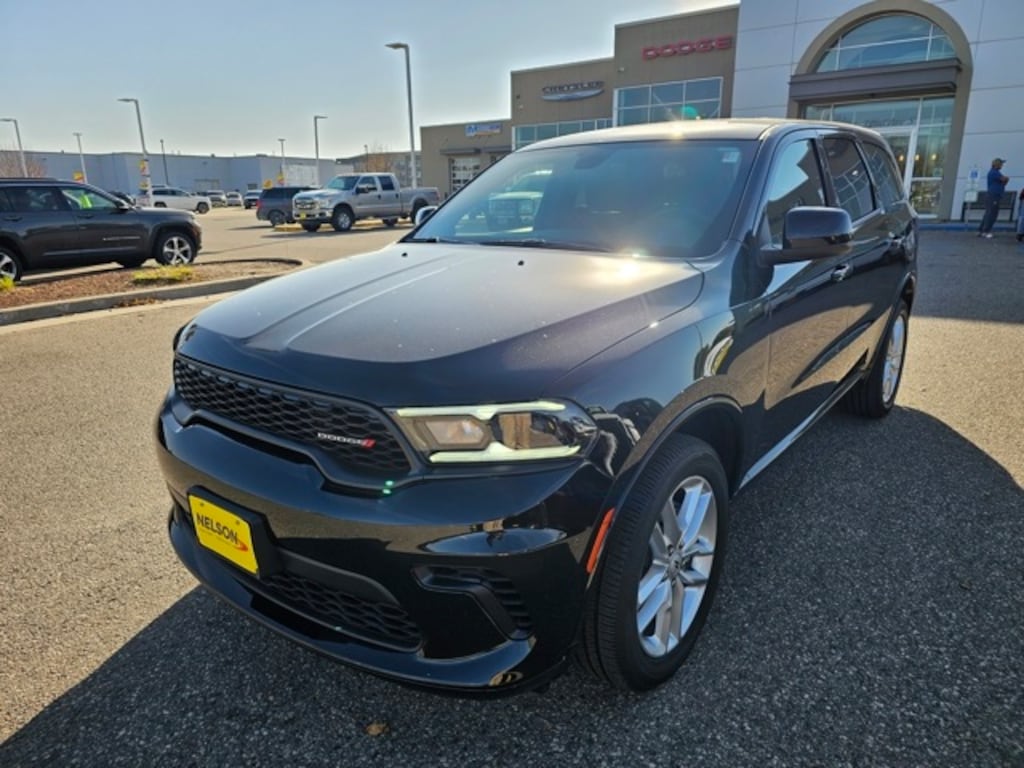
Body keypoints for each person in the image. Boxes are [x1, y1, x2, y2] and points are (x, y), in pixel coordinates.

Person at [978, 157, 1009, 238]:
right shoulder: (994, 172)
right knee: (991, 214)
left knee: (989, 213)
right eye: (1001, 164)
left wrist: (1005, 180)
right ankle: (986, 231)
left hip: (995, 195)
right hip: (993, 196)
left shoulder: (996, 172)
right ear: (997, 164)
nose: (1002, 165)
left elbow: (1004, 182)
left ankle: (982, 230)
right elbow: (1004, 179)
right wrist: (1006, 179)